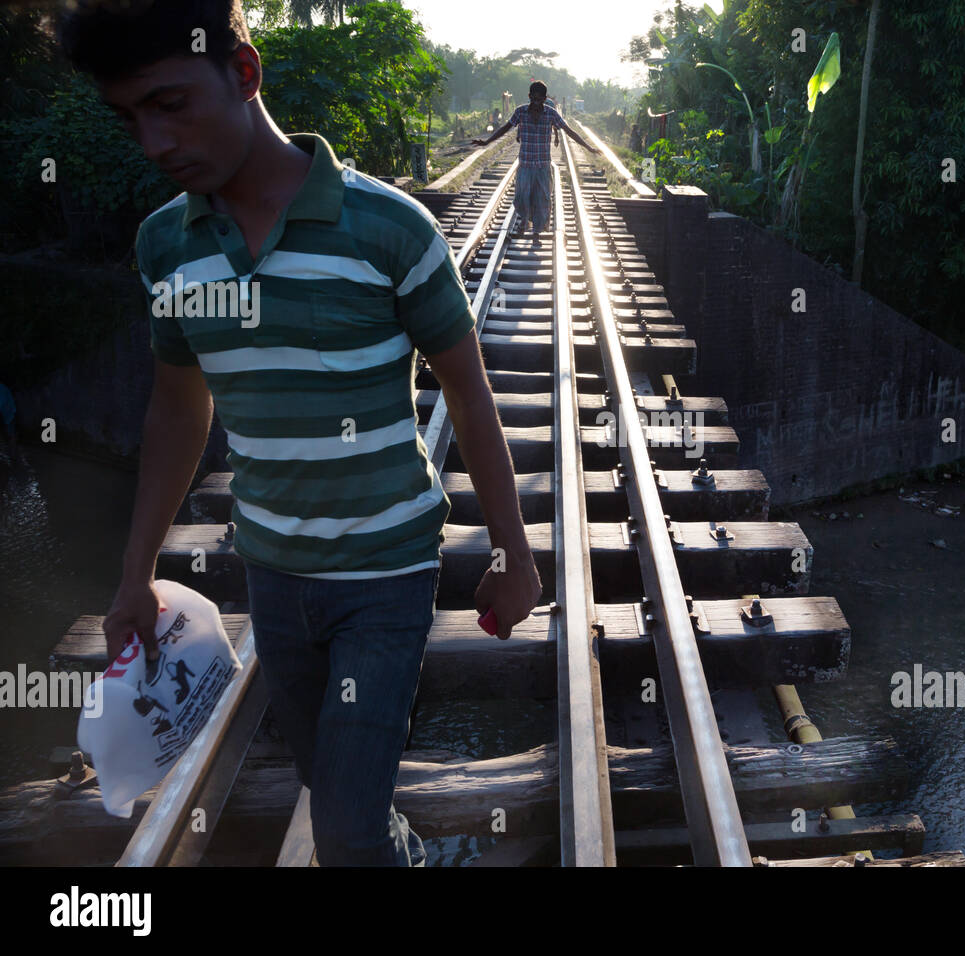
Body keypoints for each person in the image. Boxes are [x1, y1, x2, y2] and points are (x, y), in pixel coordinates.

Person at [59, 0, 541, 867]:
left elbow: (468, 395)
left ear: (242, 74)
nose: (153, 142)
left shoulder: (390, 228)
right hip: (273, 572)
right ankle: (417, 856)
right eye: (130, 118)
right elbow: (178, 406)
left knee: (345, 831)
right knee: (331, 783)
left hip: (385, 572)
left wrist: (513, 553)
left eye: (169, 104)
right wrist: (134, 575)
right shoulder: (167, 246)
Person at [472, 81, 592, 238]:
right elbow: (505, 128)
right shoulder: (520, 112)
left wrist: (588, 147)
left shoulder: (551, 113)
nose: (536, 102)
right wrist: (487, 141)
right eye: (533, 99)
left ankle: (536, 230)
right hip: (526, 165)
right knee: (522, 198)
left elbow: (569, 131)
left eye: (540, 99)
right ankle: (523, 222)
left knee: (542, 199)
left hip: (543, 165)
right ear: (529, 97)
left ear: (544, 98)